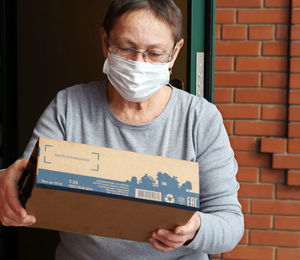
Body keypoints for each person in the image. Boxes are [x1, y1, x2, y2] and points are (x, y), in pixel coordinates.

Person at [0, 0, 244, 259]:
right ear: (105, 41)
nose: (139, 63)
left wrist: (195, 229)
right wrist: (7, 187)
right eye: (126, 48)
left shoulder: (200, 119)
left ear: (175, 52)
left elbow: (230, 224)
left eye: (155, 53)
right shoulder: (69, 107)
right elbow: (27, 185)